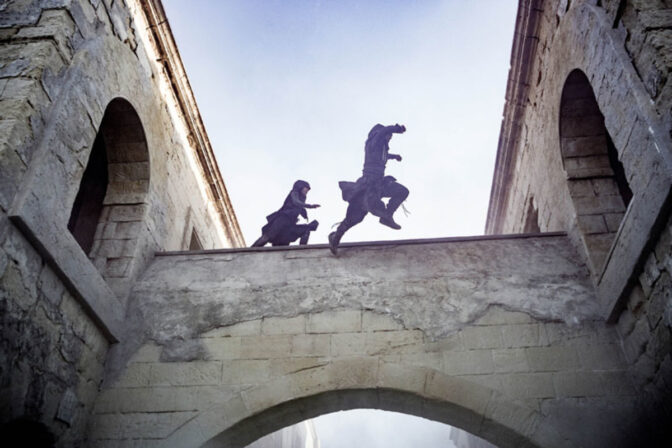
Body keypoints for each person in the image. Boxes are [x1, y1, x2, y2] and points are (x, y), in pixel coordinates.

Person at [328, 123, 409, 255]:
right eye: (389, 136)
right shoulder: (373, 143)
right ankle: (335, 237)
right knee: (355, 217)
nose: (390, 138)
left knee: (402, 191)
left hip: (380, 184)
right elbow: (382, 133)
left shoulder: (382, 150)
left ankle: (387, 216)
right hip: (367, 185)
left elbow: (384, 156)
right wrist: (396, 129)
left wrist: (394, 157)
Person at [251, 180, 320, 247]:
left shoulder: (302, 198)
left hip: (290, 223)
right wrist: (309, 206)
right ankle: (252, 249)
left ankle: (302, 250)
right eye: (306, 188)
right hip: (282, 219)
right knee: (269, 236)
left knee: (301, 231)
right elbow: (296, 202)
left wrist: (305, 214)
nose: (307, 191)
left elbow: (300, 207)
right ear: (301, 187)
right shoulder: (294, 193)